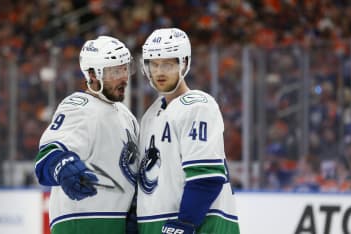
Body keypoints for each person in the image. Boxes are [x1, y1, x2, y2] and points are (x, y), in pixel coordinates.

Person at [136, 28, 240, 234]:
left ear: (183, 63)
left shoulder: (198, 106)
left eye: (167, 64)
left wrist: (185, 223)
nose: (159, 72)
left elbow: (206, 176)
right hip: (157, 225)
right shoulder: (150, 114)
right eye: (154, 64)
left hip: (200, 227)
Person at [34, 36, 139, 234]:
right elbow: (48, 154)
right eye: (115, 70)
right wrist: (62, 166)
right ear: (92, 74)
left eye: (125, 68)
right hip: (83, 223)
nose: (124, 76)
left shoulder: (128, 117)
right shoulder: (80, 106)